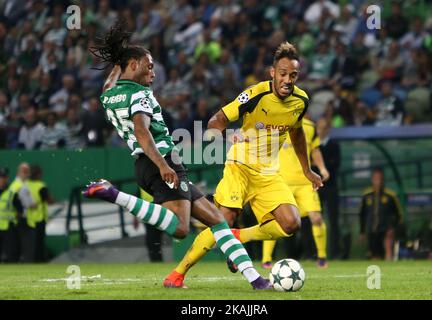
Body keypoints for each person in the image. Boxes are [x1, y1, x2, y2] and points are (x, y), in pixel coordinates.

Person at [83, 21, 269, 290]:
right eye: (149, 66)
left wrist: (118, 61)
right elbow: (142, 131)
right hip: (161, 161)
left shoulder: (109, 94)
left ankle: (256, 280)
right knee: (181, 229)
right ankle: (113, 194)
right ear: (133, 65)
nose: (153, 73)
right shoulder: (140, 95)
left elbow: (112, 81)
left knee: (217, 220)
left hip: (145, 164)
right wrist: (163, 166)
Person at [165, 42, 323, 286]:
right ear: (272, 73)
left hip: (268, 173)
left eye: (293, 75)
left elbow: (297, 132)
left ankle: (239, 236)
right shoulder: (255, 94)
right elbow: (216, 121)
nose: (287, 80)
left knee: (291, 223)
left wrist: (307, 169)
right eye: (283, 74)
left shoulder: (301, 101)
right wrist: (228, 136)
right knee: (221, 222)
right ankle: (177, 274)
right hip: (239, 166)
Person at [261, 116, 330, 269]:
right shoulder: (275, 123)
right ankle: (266, 259)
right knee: (274, 219)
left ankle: (322, 256)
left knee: (316, 218)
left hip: (305, 183)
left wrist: (323, 168)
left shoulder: (309, 127)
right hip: (281, 182)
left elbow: (315, 150)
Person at [359, 168, 402, 260]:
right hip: (372, 230)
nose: (378, 181)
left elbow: (398, 214)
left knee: (387, 250)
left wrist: (393, 228)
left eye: (380, 178)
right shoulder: (367, 195)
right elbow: (362, 214)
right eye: (376, 178)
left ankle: (389, 269)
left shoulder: (391, 196)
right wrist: (362, 231)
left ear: (383, 180)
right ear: (372, 180)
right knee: (374, 255)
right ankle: (377, 272)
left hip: (386, 230)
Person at [317, 117, 341, 259]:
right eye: (319, 127)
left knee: (333, 220)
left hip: (331, 187)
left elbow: (335, 165)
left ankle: (336, 253)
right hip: (316, 187)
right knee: (313, 219)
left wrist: (321, 169)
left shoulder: (334, 145)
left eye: (324, 127)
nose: (321, 130)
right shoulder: (312, 145)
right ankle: (312, 252)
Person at [26, 165, 54, 262]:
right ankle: (39, 261)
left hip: (28, 219)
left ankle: (29, 260)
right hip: (39, 219)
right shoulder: (41, 186)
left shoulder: (26, 185)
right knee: (39, 243)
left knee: (29, 243)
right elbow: (49, 200)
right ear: (38, 174)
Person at [133, 188, 163, 262]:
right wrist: (135, 219)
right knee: (153, 241)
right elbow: (135, 202)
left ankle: (156, 260)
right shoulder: (142, 187)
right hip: (149, 218)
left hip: (157, 216)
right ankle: (156, 260)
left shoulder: (144, 185)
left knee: (153, 241)